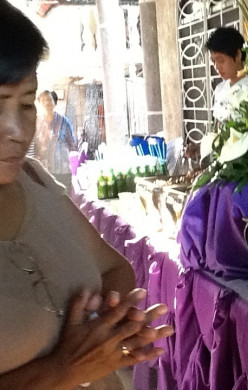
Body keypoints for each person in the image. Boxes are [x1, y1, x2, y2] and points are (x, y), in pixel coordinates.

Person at [0, 2, 173, 389]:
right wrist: (67, 368)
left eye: (26, 104)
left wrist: (108, 328)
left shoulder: (36, 180)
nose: (16, 129)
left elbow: (115, 269)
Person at [33, 89, 76, 188]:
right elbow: (32, 146)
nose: (46, 102)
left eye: (49, 99)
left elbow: (72, 145)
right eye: (43, 100)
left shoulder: (64, 121)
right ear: (39, 103)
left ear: (54, 102)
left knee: (64, 199)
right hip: (43, 171)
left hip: (62, 170)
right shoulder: (36, 122)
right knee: (47, 200)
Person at [205, 27, 248, 123]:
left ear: (238, 55)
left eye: (221, 60)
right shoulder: (219, 89)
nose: (216, 66)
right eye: (213, 61)